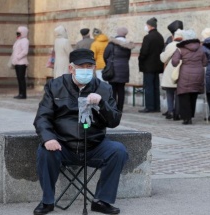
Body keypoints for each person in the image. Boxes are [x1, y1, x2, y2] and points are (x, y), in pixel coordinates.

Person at [33, 49, 128, 215]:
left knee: (118, 151)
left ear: (94, 67)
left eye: (89, 66)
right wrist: (48, 138)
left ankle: (101, 200)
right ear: (71, 68)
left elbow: (114, 121)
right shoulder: (55, 86)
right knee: (45, 151)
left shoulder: (104, 88)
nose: (86, 69)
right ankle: (47, 201)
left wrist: (102, 104)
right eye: (81, 66)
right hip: (63, 145)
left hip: (94, 145)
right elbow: (42, 118)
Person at [171, 29, 208, 125]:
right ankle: (190, 115)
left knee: (184, 95)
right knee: (193, 94)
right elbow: (205, 62)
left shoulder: (181, 48)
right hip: (198, 73)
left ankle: (186, 118)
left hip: (185, 74)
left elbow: (174, 62)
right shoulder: (201, 48)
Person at [103, 27, 135, 112]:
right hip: (124, 69)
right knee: (121, 89)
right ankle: (120, 108)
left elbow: (105, 56)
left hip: (112, 69)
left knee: (112, 89)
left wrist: (108, 64)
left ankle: (113, 107)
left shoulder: (111, 44)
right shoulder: (128, 45)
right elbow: (127, 57)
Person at [138, 17, 165, 113]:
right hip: (157, 65)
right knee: (155, 86)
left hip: (148, 66)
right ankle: (157, 106)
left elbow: (144, 52)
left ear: (149, 26)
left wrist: (140, 59)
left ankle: (149, 106)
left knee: (149, 86)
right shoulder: (160, 36)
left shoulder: (148, 37)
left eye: (146, 25)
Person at [160, 29, 183, 119]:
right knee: (179, 92)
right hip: (182, 69)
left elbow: (163, 59)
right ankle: (178, 112)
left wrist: (162, 54)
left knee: (169, 92)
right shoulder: (185, 45)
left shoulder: (171, 45)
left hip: (171, 69)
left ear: (174, 37)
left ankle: (170, 111)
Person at [9, 26, 29, 99]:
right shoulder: (18, 40)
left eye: (19, 32)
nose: (18, 34)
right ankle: (20, 93)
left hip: (22, 63)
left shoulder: (25, 41)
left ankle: (23, 94)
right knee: (19, 79)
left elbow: (25, 51)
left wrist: (17, 57)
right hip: (17, 63)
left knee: (21, 79)